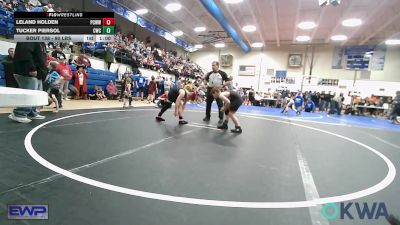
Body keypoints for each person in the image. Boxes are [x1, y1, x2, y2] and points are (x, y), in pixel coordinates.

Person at [9, 42, 48, 123]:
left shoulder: (41, 41)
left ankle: (31, 112)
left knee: (35, 94)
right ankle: (19, 113)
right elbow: (24, 52)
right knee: (28, 93)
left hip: (37, 72)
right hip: (27, 72)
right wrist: (31, 68)